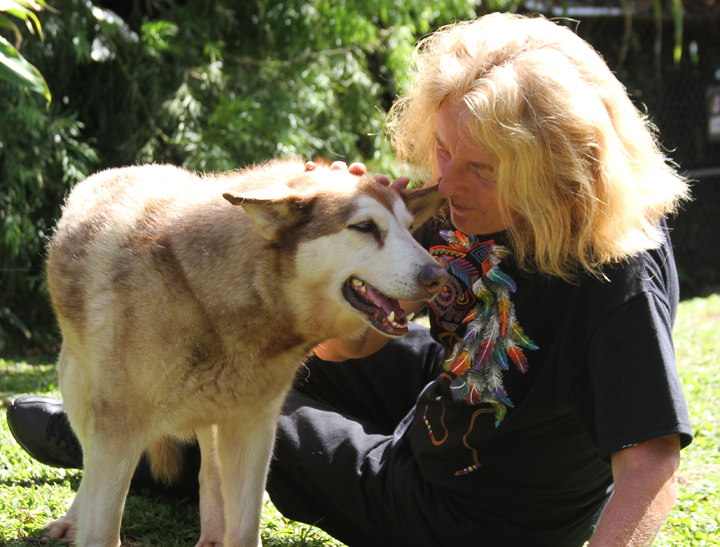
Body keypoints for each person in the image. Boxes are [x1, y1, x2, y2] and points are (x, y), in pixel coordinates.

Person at [7, 12, 692, 547]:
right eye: (445, 149)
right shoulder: (470, 203)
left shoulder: (616, 273)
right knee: (264, 350)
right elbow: (347, 345)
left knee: (250, 400)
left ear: (561, 172)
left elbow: (649, 464)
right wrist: (344, 271)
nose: (446, 182)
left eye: (479, 167)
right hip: (448, 402)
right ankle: (126, 414)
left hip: (466, 513)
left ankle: (126, 439)